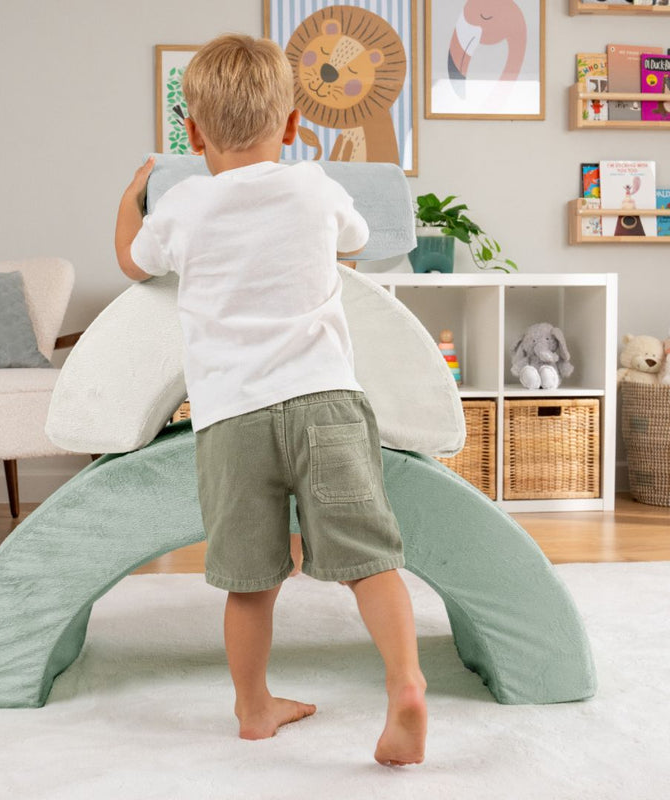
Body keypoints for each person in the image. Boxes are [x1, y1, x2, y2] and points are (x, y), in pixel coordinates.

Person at [114, 33, 426, 767]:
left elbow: (131, 261)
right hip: (323, 401)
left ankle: (254, 709)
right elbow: (355, 243)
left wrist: (132, 193)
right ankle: (405, 683)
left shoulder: (184, 205)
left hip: (230, 418)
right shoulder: (314, 185)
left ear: (192, 134)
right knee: (369, 560)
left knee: (250, 580)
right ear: (291, 127)